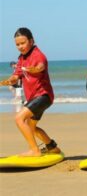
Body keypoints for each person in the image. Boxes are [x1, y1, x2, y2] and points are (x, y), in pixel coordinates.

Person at [0, 27, 61, 156]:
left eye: (23, 43)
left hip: (43, 96)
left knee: (19, 119)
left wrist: (36, 69)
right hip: (35, 98)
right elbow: (16, 76)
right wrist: (9, 81)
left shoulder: (38, 55)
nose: (20, 46)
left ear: (31, 41)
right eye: (17, 44)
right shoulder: (22, 58)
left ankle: (34, 150)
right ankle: (52, 147)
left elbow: (41, 66)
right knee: (31, 127)